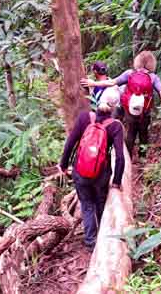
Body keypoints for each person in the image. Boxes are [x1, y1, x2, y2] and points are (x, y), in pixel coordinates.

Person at [58, 86, 125, 250]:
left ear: (99, 100)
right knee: (101, 203)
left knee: (87, 205)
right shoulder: (115, 126)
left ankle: (90, 241)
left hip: (80, 172)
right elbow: (120, 157)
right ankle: (104, 238)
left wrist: (63, 165)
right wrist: (116, 181)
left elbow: (70, 143)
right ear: (115, 107)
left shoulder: (85, 117)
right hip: (101, 175)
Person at [81, 51, 161, 158]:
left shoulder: (129, 73)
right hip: (145, 111)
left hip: (129, 111)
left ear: (138, 61)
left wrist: (94, 83)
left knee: (130, 133)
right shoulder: (153, 77)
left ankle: (128, 157)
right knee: (143, 134)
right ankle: (142, 157)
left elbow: (112, 82)